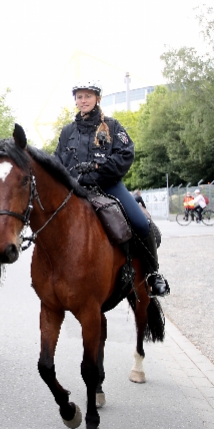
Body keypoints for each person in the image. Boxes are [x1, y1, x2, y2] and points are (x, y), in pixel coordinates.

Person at [55, 79, 169, 296]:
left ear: (97, 98)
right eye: (79, 96)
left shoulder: (113, 126)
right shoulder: (67, 132)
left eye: (88, 96)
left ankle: (153, 274)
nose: (83, 100)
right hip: (75, 191)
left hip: (108, 187)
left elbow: (126, 154)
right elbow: (57, 162)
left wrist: (98, 167)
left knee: (141, 223)